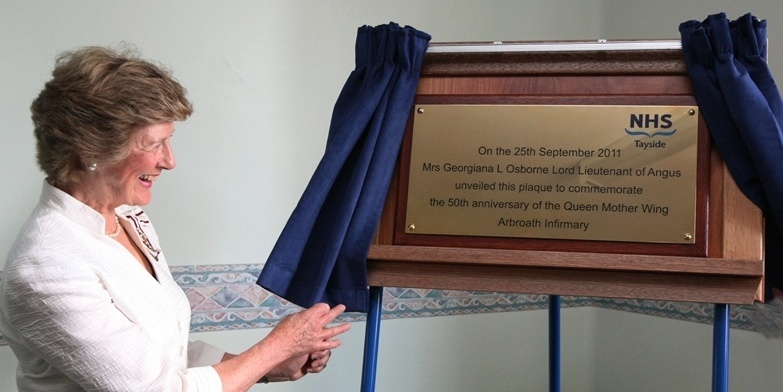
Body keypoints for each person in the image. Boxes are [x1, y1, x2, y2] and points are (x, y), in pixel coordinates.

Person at [0, 46, 351, 391]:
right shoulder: (46, 266)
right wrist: (277, 346)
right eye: (153, 144)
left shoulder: (129, 218)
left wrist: (272, 366)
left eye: (168, 141)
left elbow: (170, 358)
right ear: (92, 149)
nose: (169, 161)